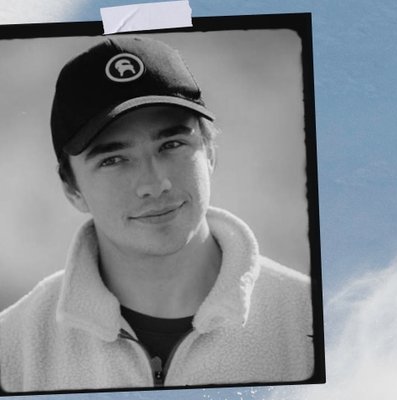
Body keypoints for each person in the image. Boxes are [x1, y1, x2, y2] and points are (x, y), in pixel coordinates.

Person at [0, 36, 313, 393]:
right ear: (72, 189)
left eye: (172, 145)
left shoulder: (308, 319)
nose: (153, 184)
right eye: (113, 160)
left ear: (210, 152)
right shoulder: (13, 348)